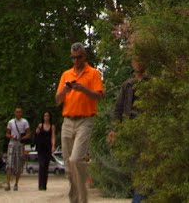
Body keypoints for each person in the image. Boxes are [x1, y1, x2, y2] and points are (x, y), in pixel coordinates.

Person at [55, 42, 105, 203]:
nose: (76, 61)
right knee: (69, 168)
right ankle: (75, 199)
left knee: (76, 159)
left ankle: (82, 199)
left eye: (79, 57)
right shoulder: (66, 74)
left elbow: (99, 96)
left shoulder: (93, 73)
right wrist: (65, 89)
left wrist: (83, 89)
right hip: (68, 121)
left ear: (85, 56)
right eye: (73, 58)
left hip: (85, 120)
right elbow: (57, 100)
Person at [110, 56, 148, 203]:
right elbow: (118, 109)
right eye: (135, 60)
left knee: (144, 167)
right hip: (131, 132)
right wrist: (115, 129)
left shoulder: (151, 83)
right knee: (137, 168)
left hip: (147, 131)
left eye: (140, 59)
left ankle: (139, 199)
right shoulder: (127, 85)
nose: (138, 63)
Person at [4, 105, 31, 191]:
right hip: (12, 143)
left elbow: (28, 134)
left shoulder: (25, 122)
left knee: (19, 164)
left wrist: (22, 138)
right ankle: (8, 183)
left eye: (20, 112)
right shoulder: (11, 122)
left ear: (21, 113)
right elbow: (7, 134)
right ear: (15, 113)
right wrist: (11, 136)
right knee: (9, 163)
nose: (18, 113)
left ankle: (16, 183)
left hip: (20, 144)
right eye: (17, 112)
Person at [32, 111, 57, 191]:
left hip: (48, 148)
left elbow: (53, 136)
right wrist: (37, 132)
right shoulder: (40, 125)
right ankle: (40, 185)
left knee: (46, 166)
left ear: (50, 117)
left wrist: (53, 146)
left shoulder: (52, 126)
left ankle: (44, 185)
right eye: (45, 116)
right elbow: (36, 134)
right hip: (41, 147)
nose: (46, 117)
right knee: (41, 165)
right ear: (43, 117)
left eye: (47, 116)